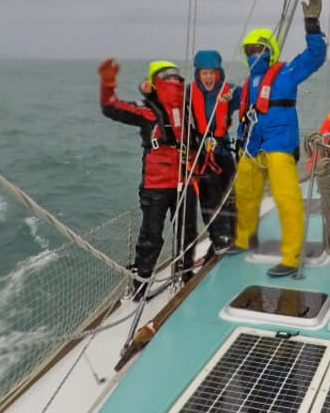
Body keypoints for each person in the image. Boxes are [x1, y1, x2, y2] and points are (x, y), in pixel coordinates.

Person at [231, 0, 328, 277]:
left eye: (258, 49)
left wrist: (312, 24)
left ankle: (291, 256)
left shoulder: (287, 73)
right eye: (250, 50)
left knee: (287, 200)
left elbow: (315, 56)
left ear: (269, 50)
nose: (254, 54)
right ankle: (243, 238)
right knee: (245, 194)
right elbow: (234, 108)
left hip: (279, 145)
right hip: (251, 146)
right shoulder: (248, 83)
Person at [98, 58, 198, 299]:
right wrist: (108, 82)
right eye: (167, 76)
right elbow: (111, 108)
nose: (174, 80)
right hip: (157, 183)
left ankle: (185, 273)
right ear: (156, 81)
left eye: (176, 76)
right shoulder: (146, 110)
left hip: (185, 178)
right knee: (151, 236)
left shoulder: (187, 107)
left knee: (187, 231)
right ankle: (142, 282)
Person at [186, 49, 239, 258]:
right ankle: (219, 237)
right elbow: (169, 101)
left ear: (218, 73)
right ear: (198, 74)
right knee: (209, 197)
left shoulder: (230, 90)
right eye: (204, 73)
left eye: (211, 73)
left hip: (223, 150)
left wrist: (234, 98)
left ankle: (234, 233)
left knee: (230, 194)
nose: (208, 77)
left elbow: (250, 97)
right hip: (203, 152)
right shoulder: (189, 93)